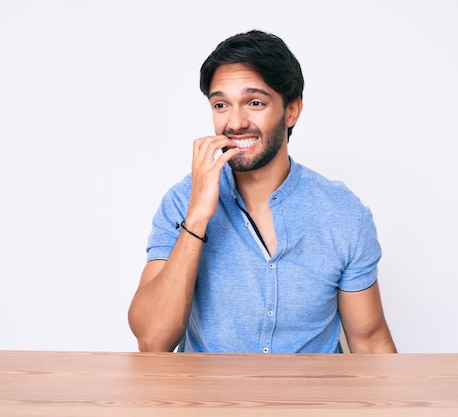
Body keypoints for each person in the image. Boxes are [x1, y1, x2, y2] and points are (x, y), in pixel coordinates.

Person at [128, 29, 397, 354]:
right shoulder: (181, 202)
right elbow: (152, 340)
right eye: (221, 104)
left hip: (311, 402)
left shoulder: (341, 213)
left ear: (292, 110)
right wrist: (197, 217)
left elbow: (370, 342)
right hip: (210, 402)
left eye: (254, 102)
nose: (235, 122)